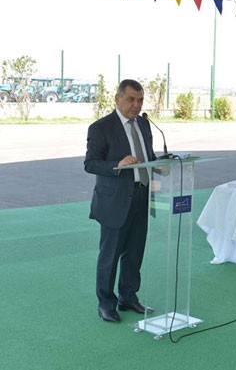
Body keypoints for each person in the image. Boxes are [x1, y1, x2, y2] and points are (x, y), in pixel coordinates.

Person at [84, 79, 157, 323]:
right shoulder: (101, 127)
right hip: (114, 201)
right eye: (131, 99)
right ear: (117, 99)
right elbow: (90, 164)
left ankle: (128, 297)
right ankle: (106, 304)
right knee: (110, 256)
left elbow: (148, 156)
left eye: (140, 100)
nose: (136, 105)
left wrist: (162, 163)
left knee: (135, 253)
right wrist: (117, 164)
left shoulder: (144, 124)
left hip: (142, 196)